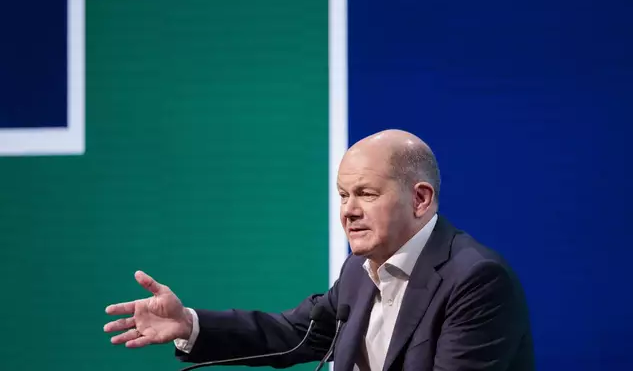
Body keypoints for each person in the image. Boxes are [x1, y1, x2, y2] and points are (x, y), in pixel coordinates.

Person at [104, 129, 534, 370]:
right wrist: (189, 324)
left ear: (420, 199)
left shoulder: (475, 279)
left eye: (365, 193)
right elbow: (293, 334)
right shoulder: (357, 273)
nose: (348, 211)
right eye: (343, 195)